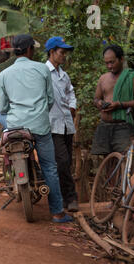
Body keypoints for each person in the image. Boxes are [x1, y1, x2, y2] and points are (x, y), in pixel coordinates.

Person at [0, 34, 72, 223]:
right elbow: (50, 100)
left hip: (16, 127)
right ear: (30, 49)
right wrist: (38, 114)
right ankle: (57, 212)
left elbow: (3, 107)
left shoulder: (4, 74)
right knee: (49, 166)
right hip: (40, 127)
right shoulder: (42, 69)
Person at [92, 44, 134, 156]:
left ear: (121, 59)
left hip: (123, 127)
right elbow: (96, 99)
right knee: (107, 163)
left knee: (122, 161)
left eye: (112, 62)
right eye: (107, 63)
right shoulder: (103, 78)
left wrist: (120, 104)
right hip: (104, 125)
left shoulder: (133, 78)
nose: (109, 66)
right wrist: (100, 103)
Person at [45, 36, 79, 212]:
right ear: (52, 52)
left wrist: (73, 106)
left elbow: (71, 93)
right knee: (62, 162)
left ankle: (64, 199)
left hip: (67, 123)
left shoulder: (64, 75)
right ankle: (71, 197)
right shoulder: (43, 72)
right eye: (62, 52)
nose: (64, 55)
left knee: (67, 162)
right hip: (52, 125)